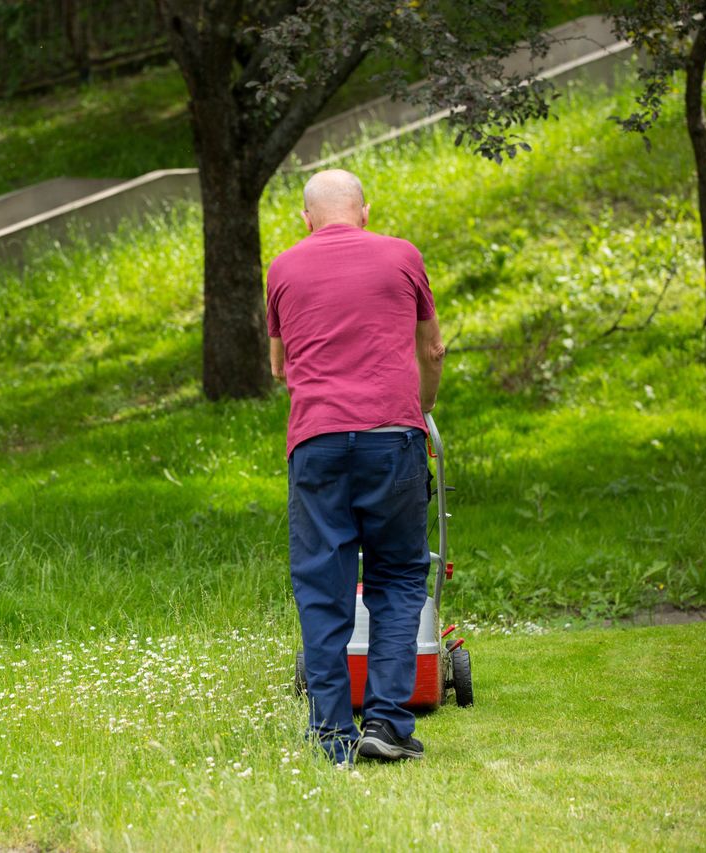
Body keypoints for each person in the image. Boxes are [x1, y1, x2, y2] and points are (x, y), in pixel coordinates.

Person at [265, 169, 445, 765]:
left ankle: (332, 735)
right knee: (397, 579)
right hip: (393, 436)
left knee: (323, 586)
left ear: (305, 217)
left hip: (315, 441)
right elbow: (433, 349)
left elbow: (277, 367)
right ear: (364, 211)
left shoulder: (283, 268)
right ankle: (388, 726)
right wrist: (419, 407)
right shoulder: (402, 256)